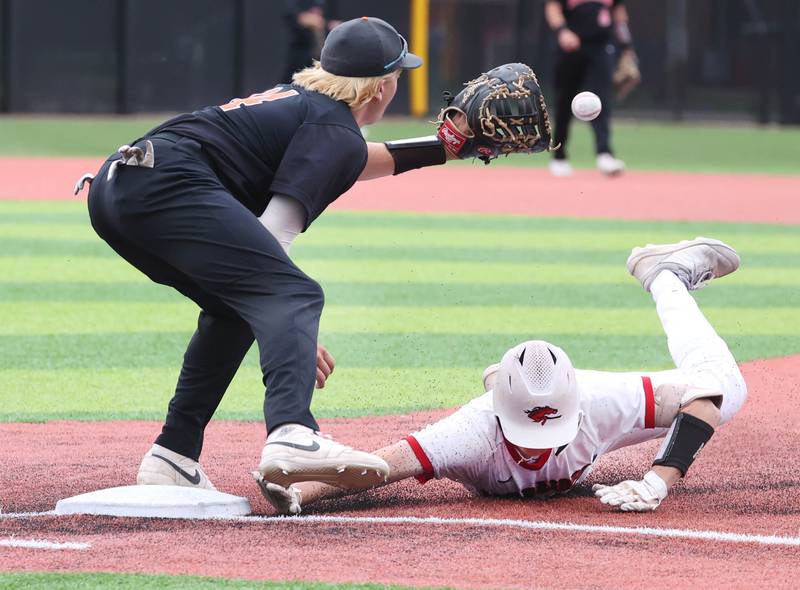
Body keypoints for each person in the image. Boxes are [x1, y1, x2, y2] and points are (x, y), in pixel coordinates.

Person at [77, 18, 553, 494]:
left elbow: (353, 160)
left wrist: (448, 149)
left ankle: (173, 454)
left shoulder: (308, 106)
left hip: (119, 191)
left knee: (234, 310)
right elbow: (276, 236)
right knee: (293, 292)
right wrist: (290, 328)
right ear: (383, 87)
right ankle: (293, 433)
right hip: (167, 186)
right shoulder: (332, 128)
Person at [255, 237, 747, 514]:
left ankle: (663, 273)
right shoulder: (472, 433)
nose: (539, 448)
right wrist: (300, 491)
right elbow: (376, 469)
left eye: (548, 432)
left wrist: (658, 480)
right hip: (492, 408)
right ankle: (500, 378)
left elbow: (707, 395)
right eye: (529, 433)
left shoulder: (598, 400)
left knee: (729, 385)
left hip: (586, 401)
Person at [544, 0, 634, 177]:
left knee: (602, 100)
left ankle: (604, 154)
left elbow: (619, 14)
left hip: (601, 48)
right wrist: (562, 32)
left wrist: (626, 46)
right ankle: (559, 156)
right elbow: (552, 7)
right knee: (564, 102)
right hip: (570, 46)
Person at [283, 0, 341, 83]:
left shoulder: (328, 4)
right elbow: (294, 17)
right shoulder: (298, 4)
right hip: (302, 53)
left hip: (325, 56)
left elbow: (333, 21)